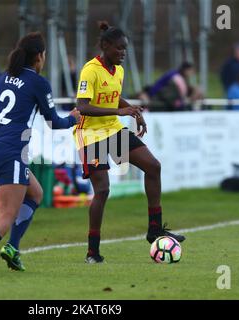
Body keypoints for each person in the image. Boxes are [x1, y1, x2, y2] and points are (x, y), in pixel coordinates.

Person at [0, 32, 80, 275]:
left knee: (36, 192)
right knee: (6, 214)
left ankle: (12, 248)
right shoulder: (38, 83)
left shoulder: (1, 77)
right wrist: (73, 119)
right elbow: (54, 123)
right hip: (12, 151)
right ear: (40, 57)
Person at [74, 22, 185, 264]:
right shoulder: (89, 70)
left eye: (125, 49)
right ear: (105, 46)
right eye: (119, 49)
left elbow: (114, 96)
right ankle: (93, 251)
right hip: (91, 135)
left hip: (112, 129)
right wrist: (120, 111)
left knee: (153, 166)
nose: (123, 53)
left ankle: (154, 230)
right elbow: (82, 106)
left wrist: (133, 111)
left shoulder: (119, 70)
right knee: (102, 190)